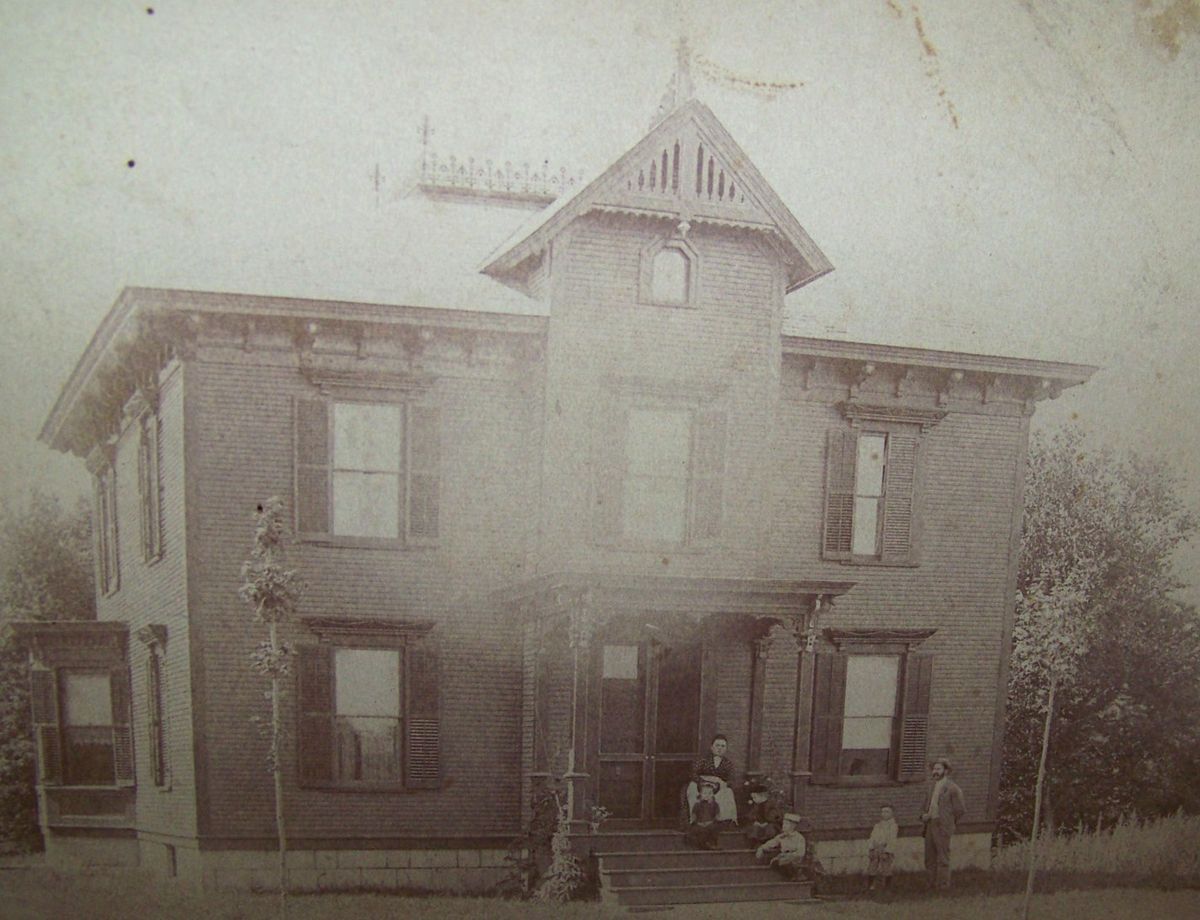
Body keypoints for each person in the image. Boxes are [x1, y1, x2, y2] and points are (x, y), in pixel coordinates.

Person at [920, 757, 966, 890]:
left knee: (943, 857)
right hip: (930, 824)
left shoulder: (953, 788)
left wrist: (948, 822)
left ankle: (943, 885)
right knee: (929, 857)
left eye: (938, 769)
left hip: (942, 826)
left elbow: (960, 810)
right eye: (934, 769)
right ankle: (930, 884)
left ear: (946, 771)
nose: (935, 772)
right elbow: (924, 806)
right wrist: (923, 815)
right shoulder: (931, 787)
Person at [682, 733, 739, 827]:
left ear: (726, 749)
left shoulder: (728, 763)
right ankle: (695, 819)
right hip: (701, 784)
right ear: (712, 747)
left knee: (728, 792)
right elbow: (693, 773)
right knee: (692, 789)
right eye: (717, 745)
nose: (720, 748)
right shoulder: (703, 760)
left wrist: (720, 784)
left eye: (723, 746)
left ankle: (722, 820)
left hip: (718, 786)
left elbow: (731, 779)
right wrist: (702, 782)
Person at [755, 812, 808, 880]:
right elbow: (771, 843)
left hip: (795, 858)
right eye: (783, 824)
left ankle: (797, 875)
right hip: (783, 857)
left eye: (786, 824)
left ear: (793, 826)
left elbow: (801, 853)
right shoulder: (781, 836)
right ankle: (788, 876)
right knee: (775, 862)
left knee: (785, 862)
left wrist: (789, 856)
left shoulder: (799, 837)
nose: (784, 826)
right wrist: (761, 848)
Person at [866, 804, 899, 892]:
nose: (884, 814)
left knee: (886, 868)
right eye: (883, 812)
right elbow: (872, 837)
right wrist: (871, 848)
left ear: (892, 814)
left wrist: (887, 851)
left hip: (885, 849)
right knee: (872, 867)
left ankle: (887, 887)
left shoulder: (893, 826)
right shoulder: (878, 825)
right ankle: (871, 886)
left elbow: (892, 839)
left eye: (887, 812)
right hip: (876, 848)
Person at [743, 780, 781, 848]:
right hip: (758, 823)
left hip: (769, 823)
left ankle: (768, 843)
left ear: (763, 796)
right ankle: (756, 843)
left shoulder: (770, 804)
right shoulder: (755, 806)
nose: (754, 800)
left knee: (770, 830)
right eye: (753, 798)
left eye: (755, 797)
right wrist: (755, 821)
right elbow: (751, 814)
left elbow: (774, 814)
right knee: (754, 829)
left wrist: (767, 822)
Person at [684, 781, 721, 850]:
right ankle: (701, 844)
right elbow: (694, 815)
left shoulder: (714, 805)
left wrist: (713, 821)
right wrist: (696, 821)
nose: (707, 795)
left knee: (713, 829)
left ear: (713, 794)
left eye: (710, 793)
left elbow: (717, 815)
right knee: (697, 830)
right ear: (700, 794)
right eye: (705, 793)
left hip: (710, 822)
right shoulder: (697, 805)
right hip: (699, 823)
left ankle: (711, 843)